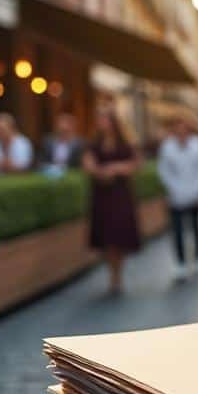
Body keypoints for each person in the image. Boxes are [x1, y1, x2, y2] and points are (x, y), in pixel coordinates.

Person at [83, 105, 142, 295]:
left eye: (105, 119)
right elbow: (88, 164)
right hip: (102, 196)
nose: (102, 123)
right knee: (107, 236)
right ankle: (113, 273)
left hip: (120, 194)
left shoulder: (125, 142)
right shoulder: (94, 143)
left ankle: (117, 273)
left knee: (119, 234)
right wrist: (100, 172)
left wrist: (117, 168)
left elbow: (137, 163)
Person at [158, 113, 198, 282]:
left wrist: (197, 189)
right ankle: (180, 263)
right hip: (176, 195)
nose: (181, 129)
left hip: (195, 194)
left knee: (196, 228)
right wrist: (175, 189)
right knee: (178, 231)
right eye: (177, 126)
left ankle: (197, 260)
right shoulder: (167, 146)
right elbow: (164, 170)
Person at [0, 112, 34, 176]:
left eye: (1, 129)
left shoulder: (22, 143)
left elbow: (22, 167)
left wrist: (1, 165)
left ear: (12, 128)